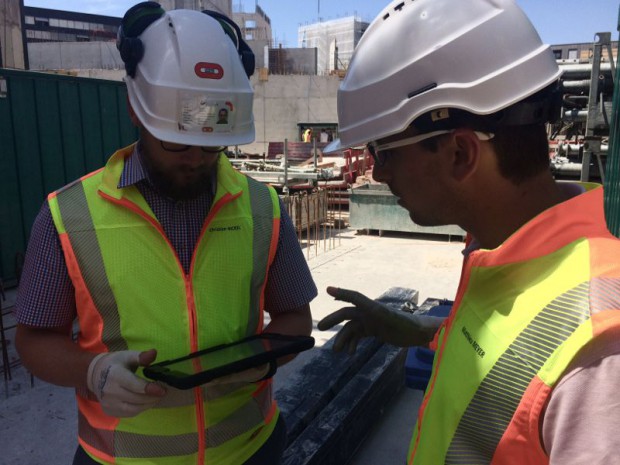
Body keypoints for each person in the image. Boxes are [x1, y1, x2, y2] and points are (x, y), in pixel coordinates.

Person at [318, 0, 620, 463]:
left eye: (384, 151)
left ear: (460, 153)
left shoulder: (600, 351)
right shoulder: (500, 247)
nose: (377, 173)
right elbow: (512, 359)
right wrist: (423, 331)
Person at [14, 3, 316, 465]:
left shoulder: (263, 207)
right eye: (176, 140)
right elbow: (35, 340)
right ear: (136, 110)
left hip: (250, 449)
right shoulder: (68, 214)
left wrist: (267, 359)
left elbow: (294, 317)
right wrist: (93, 372)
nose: (195, 157)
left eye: (212, 142)